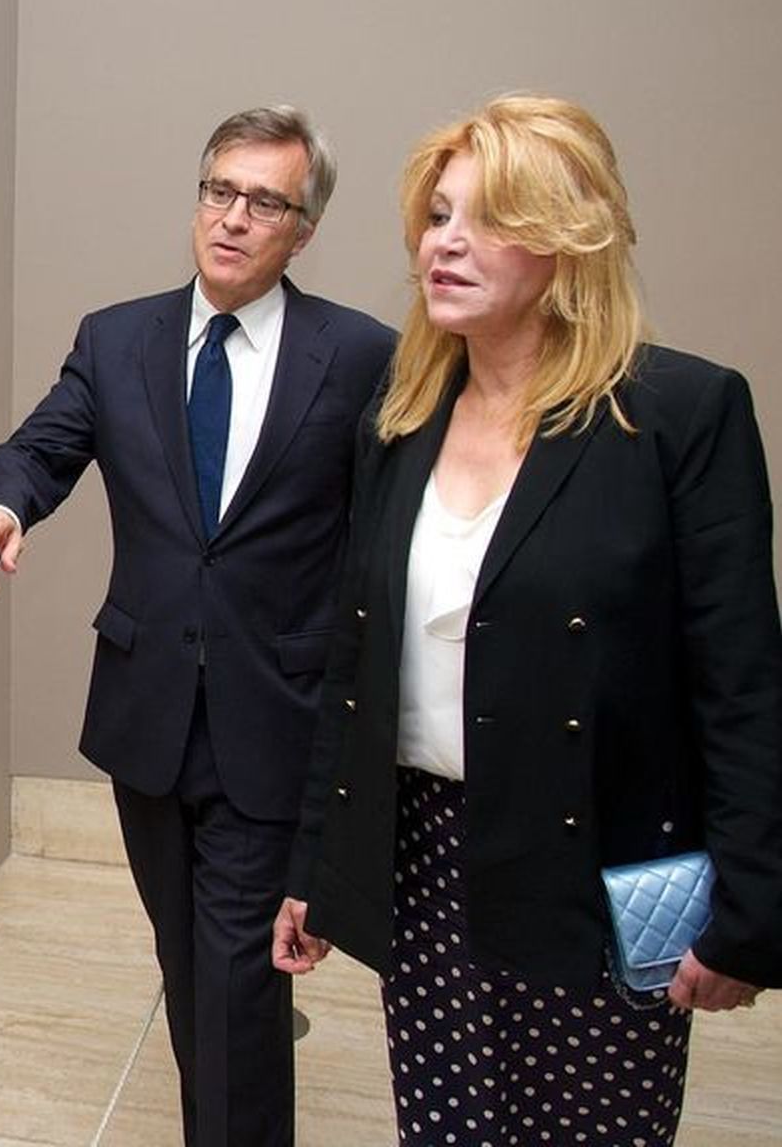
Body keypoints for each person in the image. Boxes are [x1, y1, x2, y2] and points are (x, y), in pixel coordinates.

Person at [273, 95, 782, 1146]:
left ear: (567, 241)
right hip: (421, 852)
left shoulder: (677, 414)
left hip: (594, 863)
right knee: (446, 1125)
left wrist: (752, 904)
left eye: (484, 218)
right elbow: (353, 660)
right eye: (435, 214)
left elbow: (739, 687)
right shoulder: (399, 418)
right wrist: (316, 866)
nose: (441, 243)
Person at [0, 106, 395, 1147]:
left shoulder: (360, 353)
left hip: (275, 714)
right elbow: (43, 446)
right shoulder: (117, 339)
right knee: (191, 965)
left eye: (264, 201)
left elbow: (382, 539)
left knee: (237, 972)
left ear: (303, 227)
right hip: (146, 711)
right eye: (217, 190)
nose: (232, 217)